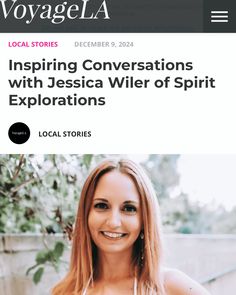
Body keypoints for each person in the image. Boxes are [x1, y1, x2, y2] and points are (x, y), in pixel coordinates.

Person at [52, 159, 210, 295]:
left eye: (129, 209)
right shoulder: (65, 291)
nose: (113, 222)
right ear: (86, 214)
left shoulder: (170, 286)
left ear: (145, 220)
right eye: (101, 205)